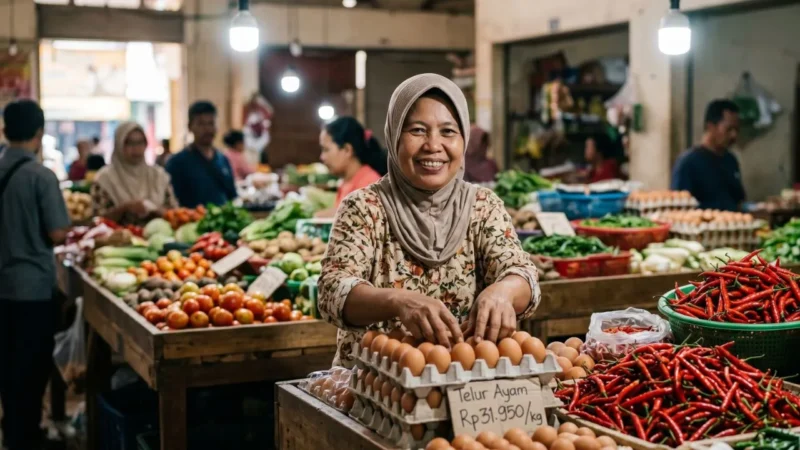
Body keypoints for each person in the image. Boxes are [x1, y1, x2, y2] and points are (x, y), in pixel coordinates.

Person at [318, 74, 540, 367]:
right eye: (418, 130)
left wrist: (505, 291)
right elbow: (332, 290)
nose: (433, 145)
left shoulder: (483, 207)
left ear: (463, 139)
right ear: (395, 135)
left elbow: (522, 274)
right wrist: (398, 301)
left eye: (448, 132)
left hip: (467, 383)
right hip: (374, 381)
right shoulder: (364, 208)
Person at [0, 100, 71, 450]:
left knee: (6, 363)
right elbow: (58, 232)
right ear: (39, 133)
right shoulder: (41, 176)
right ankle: (25, 437)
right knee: (31, 367)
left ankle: (12, 430)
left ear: (4, 130)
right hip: (31, 290)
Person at [91, 122, 178, 226]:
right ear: (119, 145)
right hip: (117, 235)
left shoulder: (159, 176)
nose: (136, 148)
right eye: (129, 143)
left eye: (140, 142)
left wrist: (157, 210)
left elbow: (175, 213)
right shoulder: (105, 179)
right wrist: (124, 208)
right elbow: (97, 219)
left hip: (160, 234)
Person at [671, 99, 744, 211]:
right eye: (729, 129)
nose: (734, 135)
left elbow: (739, 200)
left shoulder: (730, 160)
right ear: (710, 127)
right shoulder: (688, 163)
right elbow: (679, 207)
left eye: (736, 130)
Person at [166, 101, 237, 207]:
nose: (207, 129)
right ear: (190, 127)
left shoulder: (223, 160)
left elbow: (232, 196)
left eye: (211, 123)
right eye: (201, 124)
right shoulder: (177, 163)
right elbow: (172, 202)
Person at [315, 116, 386, 218]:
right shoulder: (345, 181)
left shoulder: (369, 185)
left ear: (347, 150)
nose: (322, 157)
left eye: (326, 149)